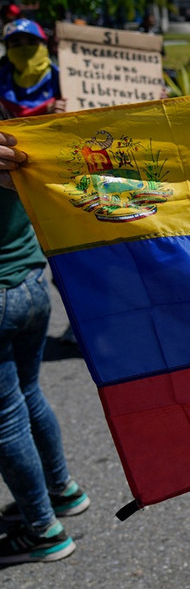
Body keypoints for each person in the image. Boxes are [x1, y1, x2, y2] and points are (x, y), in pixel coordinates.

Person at [0, 126, 90, 564]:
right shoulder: (12, 135)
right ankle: (61, 490)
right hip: (32, 281)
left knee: (5, 416)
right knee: (27, 392)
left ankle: (43, 530)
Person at [0, 20, 64, 118]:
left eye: (32, 42)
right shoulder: (2, 81)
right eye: (17, 44)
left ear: (44, 45)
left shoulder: (63, 80)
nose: (25, 49)